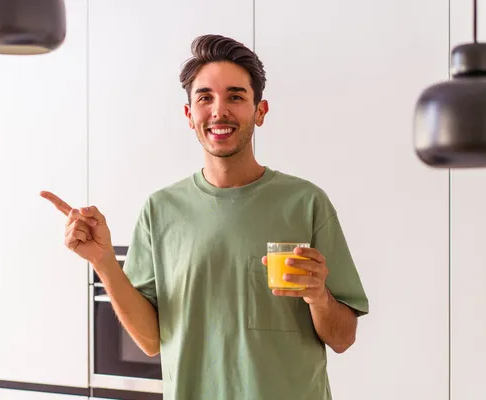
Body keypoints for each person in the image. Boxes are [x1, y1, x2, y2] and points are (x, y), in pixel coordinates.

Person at [41, 34, 369, 400]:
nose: (219, 111)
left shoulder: (306, 203)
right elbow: (151, 341)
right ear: (189, 115)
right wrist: (102, 261)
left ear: (260, 112)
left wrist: (319, 297)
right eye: (205, 98)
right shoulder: (160, 210)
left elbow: (343, 338)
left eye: (236, 97)